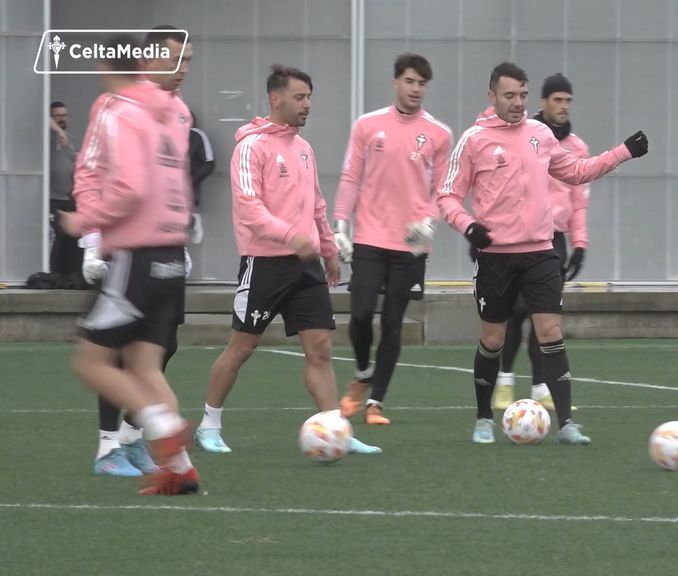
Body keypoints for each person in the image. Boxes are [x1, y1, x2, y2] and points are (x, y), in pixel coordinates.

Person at [437, 61, 648, 444]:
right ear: (492, 97)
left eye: (521, 95)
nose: (517, 103)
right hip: (496, 257)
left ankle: (567, 424)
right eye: (509, 95)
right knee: (493, 339)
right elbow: (447, 195)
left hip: (541, 252)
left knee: (549, 332)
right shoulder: (473, 139)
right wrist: (468, 226)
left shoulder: (540, 134)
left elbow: (578, 171)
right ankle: (484, 418)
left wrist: (623, 152)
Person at [195, 64, 379, 455]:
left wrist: (328, 250)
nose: (307, 105)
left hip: (306, 266)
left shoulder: (303, 149)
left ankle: (334, 427)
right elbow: (248, 208)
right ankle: (209, 425)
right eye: (299, 97)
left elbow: (316, 205)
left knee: (321, 349)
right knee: (242, 347)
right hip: (264, 264)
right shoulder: (251, 147)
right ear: (275, 99)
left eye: (309, 97)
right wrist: (291, 236)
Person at [59, 33, 198, 495]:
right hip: (170, 256)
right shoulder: (167, 112)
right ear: (144, 62)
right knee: (144, 364)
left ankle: (157, 430)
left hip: (135, 256)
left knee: (91, 360)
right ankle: (180, 471)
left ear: (105, 66)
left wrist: (84, 223)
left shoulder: (119, 110)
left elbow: (130, 188)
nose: (181, 66)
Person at [333, 53, 452, 425]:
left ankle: (376, 403)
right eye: (410, 81)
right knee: (361, 313)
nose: (416, 89)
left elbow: (443, 189)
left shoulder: (439, 133)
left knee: (394, 323)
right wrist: (339, 225)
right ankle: (363, 373)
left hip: (411, 243)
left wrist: (429, 222)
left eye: (422, 83)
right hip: (369, 236)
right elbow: (352, 176)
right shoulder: (367, 125)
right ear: (395, 82)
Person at [491, 73, 590, 412]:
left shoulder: (577, 147)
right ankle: (503, 381)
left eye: (568, 100)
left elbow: (578, 199)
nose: (563, 106)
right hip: (517, 235)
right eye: (557, 100)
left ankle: (539, 388)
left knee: (543, 317)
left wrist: (580, 244)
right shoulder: (525, 135)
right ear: (543, 103)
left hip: (554, 240)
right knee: (513, 312)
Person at [48, 101, 84, 287]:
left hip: (69, 200)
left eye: (64, 115)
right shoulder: (45, 139)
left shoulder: (71, 139)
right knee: (56, 238)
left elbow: (78, 163)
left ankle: (67, 276)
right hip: (50, 200)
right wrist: (58, 132)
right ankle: (50, 274)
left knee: (73, 241)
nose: (62, 118)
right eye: (57, 115)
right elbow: (40, 117)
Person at [189, 110, 215, 245]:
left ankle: (193, 220)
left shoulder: (196, 135)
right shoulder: (167, 134)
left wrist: (192, 178)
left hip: (188, 191)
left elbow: (209, 162)